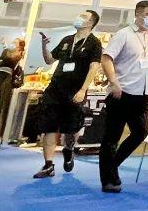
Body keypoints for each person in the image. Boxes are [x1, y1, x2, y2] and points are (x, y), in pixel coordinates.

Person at [33, 10, 103, 178]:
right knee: (49, 127)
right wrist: (44, 46)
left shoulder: (94, 43)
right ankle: (48, 165)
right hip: (55, 89)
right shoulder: (67, 40)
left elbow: (94, 67)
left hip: (75, 91)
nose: (79, 17)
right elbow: (49, 60)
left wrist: (83, 89)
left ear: (91, 23)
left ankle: (69, 149)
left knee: (71, 127)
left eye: (84, 16)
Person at [99, 0, 148, 193]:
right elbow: (106, 58)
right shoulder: (124, 34)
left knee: (141, 131)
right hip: (121, 92)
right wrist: (113, 81)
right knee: (112, 137)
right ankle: (108, 180)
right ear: (138, 14)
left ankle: (112, 165)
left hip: (141, 94)